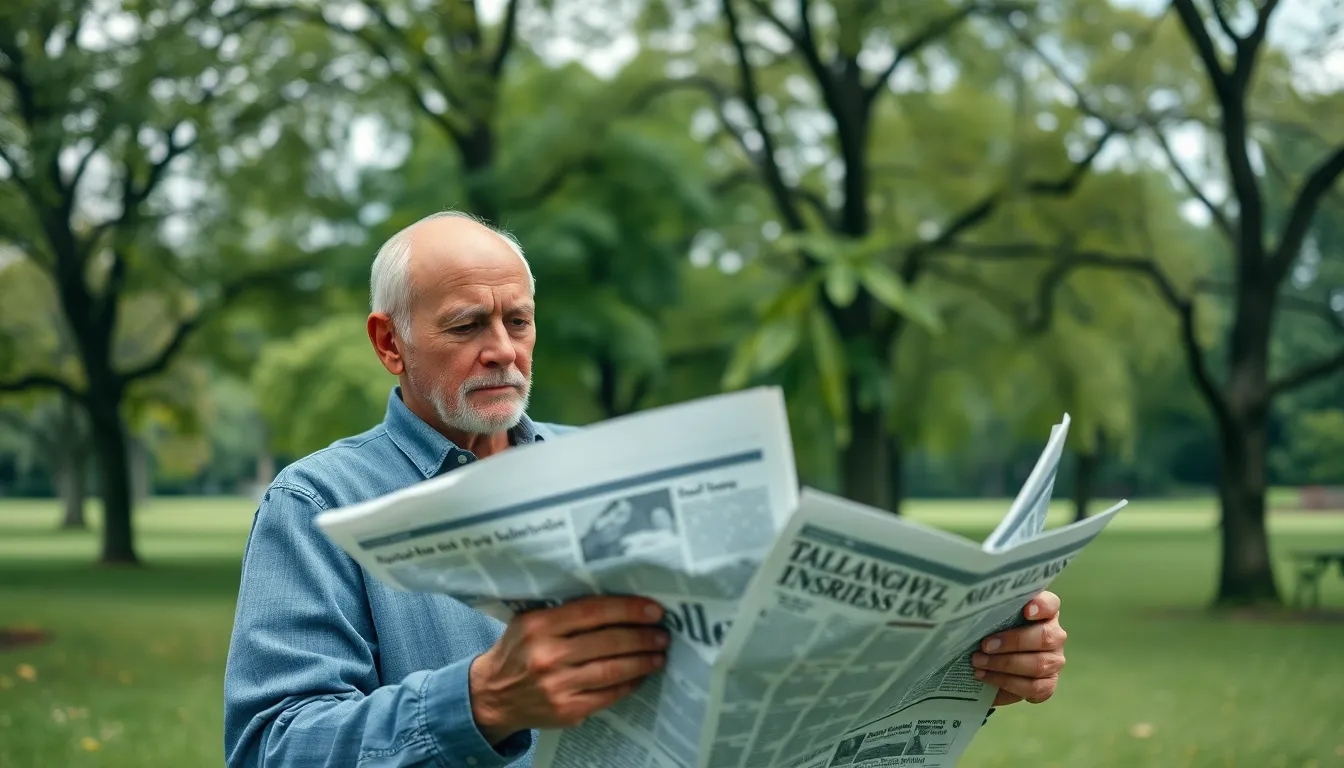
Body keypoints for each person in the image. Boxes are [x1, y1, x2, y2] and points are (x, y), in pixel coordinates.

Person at [223, 210, 1071, 768]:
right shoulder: (315, 507)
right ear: (390, 342)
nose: (503, 350)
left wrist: (972, 662)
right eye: (466, 325)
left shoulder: (611, 463)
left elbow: (768, 686)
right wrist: (478, 701)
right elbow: (268, 746)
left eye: (517, 321)